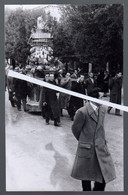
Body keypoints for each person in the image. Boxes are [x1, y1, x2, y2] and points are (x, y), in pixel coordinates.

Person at [71, 90, 116, 191]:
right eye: (101, 97)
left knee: (103, 176)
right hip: (87, 149)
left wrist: (101, 141)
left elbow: (101, 128)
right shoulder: (82, 112)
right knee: (86, 178)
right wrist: (85, 140)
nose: (103, 100)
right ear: (94, 99)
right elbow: (75, 129)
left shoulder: (102, 110)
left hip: (100, 148)